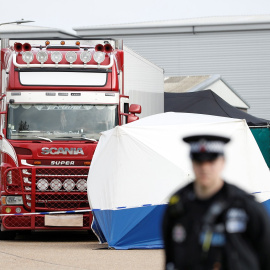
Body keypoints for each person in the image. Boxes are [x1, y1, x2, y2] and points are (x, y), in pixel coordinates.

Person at [162, 134, 270, 270]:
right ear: (192, 163)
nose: (205, 168)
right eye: (199, 162)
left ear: (223, 162)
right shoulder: (177, 205)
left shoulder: (246, 206)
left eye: (211, 161)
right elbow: (170, 258)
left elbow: (266, 256)